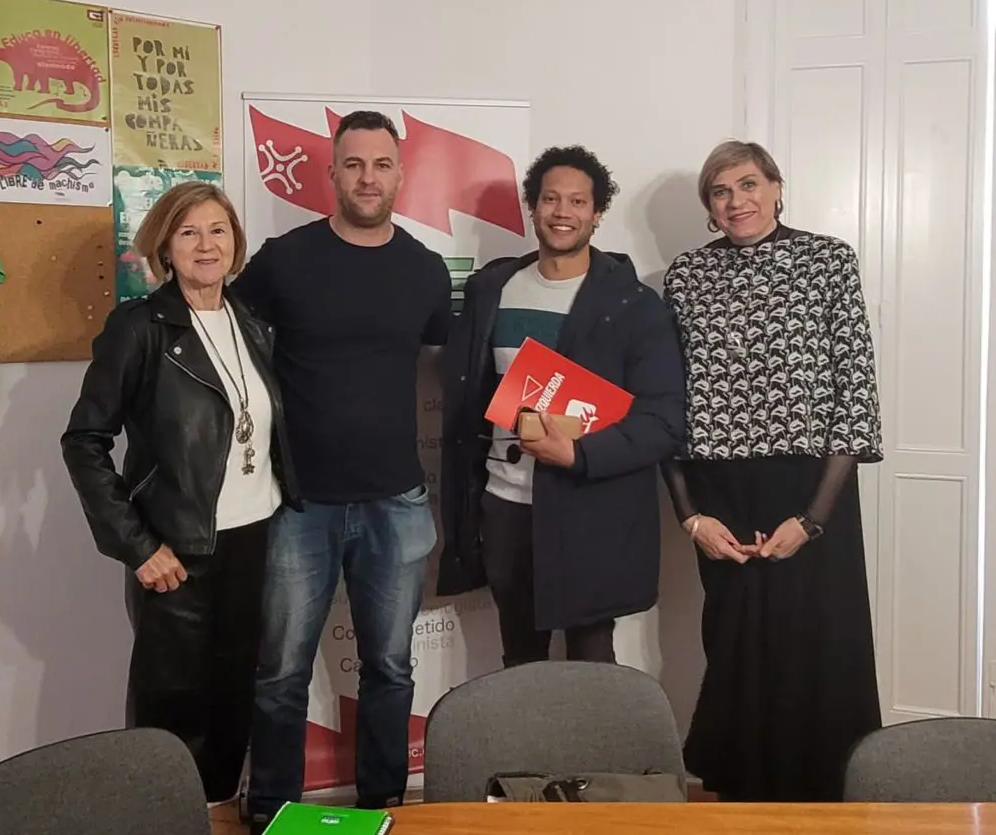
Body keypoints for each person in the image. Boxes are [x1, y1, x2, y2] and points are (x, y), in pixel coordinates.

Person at [232, 110, 452, 831]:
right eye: (353, 164)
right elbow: (218, 334)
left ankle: (383, 807)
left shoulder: (424, 270)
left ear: (400, 174)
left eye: (381, 165)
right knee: (280, 673)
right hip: (300, 503)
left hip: (396, 501)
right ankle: (272, 813)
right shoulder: (283, 260)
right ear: (331, 173)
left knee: (390, 668)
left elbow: (449, 355)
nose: (367, 178)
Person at [60, 181, 299, 807]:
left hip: (253, 536)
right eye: (188, 232)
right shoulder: (139, 327)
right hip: (176, 549)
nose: (206, 244)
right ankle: (165, 817)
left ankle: (217, 813)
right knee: (172, 712)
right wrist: (137, 546)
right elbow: (84, 440)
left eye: (218, 230)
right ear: (165, 246)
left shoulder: (251, 321)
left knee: (233, 700)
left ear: (235, 242)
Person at [661, 139, 883, 802]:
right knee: (738, 645)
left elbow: (855, 390)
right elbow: (666, 401)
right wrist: (689, 516)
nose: (737, 201)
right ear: (709, 206)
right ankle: (742, 795)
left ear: (777, 188)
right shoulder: (686, 275)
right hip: (721, 491)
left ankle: (825, 798)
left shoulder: (829, 260)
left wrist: (812, 520)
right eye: (721, 191)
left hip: (813, 485)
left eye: (749, 184)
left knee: (819, 641)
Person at [438, 145, 686, 666]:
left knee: (591, 664)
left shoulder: (633, 306)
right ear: (533, 207)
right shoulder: (492, 289)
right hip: (506, 506)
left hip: (588, 509)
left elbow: (663, 422)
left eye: (577, 201)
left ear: (597, 213)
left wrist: (579, 455)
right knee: (520, 661)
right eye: (550, 198)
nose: (562, 212)